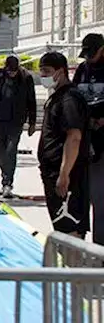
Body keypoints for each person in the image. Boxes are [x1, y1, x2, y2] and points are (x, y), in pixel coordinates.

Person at [39, 52, 91, 237]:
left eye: (47, 71)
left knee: (70, 228)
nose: (43, 76)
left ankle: (75, 265)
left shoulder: (69, 99)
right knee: (61, 227)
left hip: (68, 176)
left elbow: (74, 136)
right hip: (53, 172)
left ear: (60, 72)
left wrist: (64, 174)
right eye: (41, 71)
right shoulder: (57, 96)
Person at [0, 55, 37, 198]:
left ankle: (7, 183)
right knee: (0, 151)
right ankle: (5, 177)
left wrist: (32, 123)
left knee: (11, 151)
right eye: (10, 71)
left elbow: (31, 100)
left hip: (16, 121)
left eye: (14, 71)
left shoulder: (26, 78)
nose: (12, 73)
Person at [73, 33, 104, 244]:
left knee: (101, 198)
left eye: (92, 54)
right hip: (85, 142)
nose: (89, 59)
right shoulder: (83, 70)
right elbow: (74, 96)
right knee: (87, 195)